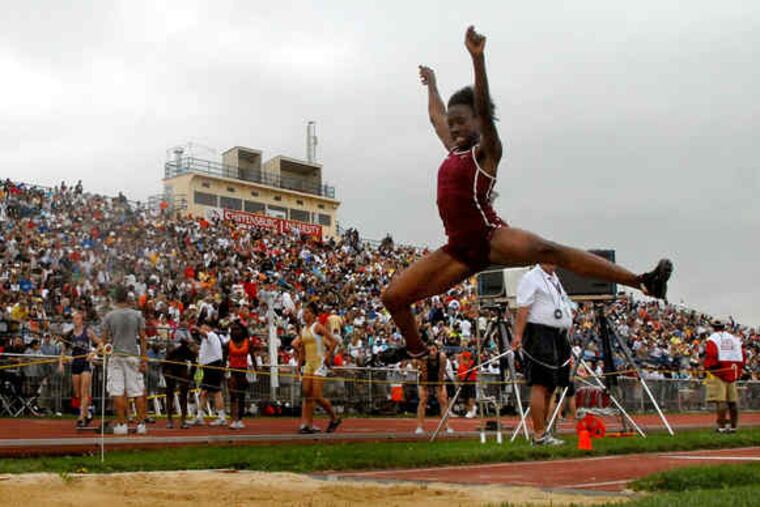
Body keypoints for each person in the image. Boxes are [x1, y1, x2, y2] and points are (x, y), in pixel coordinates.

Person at [380, 26, 672, 364]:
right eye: (453, 123)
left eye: (462, 122)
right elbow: (435, 117)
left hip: (491, 237)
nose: (455, 128)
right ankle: (417, 350)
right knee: (393, 297)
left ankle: (642, 281)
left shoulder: (486, 152)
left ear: (478, 121)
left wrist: (478, 60)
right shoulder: (453, 149)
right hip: (457, 252)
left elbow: (487, 117)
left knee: (549, 250)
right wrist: (432, 84)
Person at [514, 263, 573, 445]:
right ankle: (538, 433)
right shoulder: (531, 278)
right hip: (540, 333)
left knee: (551, 385)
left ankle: (545, 431)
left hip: (558, 334)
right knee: (540, 383)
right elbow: (524, 307)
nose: (554, 262)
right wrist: (518, 335)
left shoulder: (554, 278)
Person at [100, 285, 148, 435]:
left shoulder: (109, 316)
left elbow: (104, 341)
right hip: (133, 356)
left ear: (115, 299)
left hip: (116, 357)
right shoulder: (137, 315)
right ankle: (141, 424)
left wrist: (100, 346)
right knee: (137, 390)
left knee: (117, 391)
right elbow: (143, 338)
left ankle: (122, 424)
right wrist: (144, 358)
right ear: (127, 298)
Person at [291, 301, 341, 434]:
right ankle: (308, 424)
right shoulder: (304, 330)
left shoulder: (317, 327)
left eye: (307, 312)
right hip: (308, 364)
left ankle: (334, 418)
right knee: (307, 393)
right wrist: (298, 366)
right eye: (304, 312)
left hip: (319, 364)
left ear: (313, 315)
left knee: (317, 396)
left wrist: (328, 356)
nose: (304, 315)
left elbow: (334, 341)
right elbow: (302, 350)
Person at [704, 319, 745, 433]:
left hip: (718, 372)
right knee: (733, 401)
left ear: (713, 327)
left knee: (720, 401)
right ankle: (733, 427)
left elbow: (711, 354)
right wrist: (738, 369)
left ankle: (721, 427)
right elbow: (742, 355)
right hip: (732, 372)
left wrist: (708, 367)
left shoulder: (713, 339)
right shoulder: (734, 339)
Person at [61, 311, 99, 428]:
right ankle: (88, 413)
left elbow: (100, 344)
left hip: (85, 363)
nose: (75, 320)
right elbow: (63, 351)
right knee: (77, 394)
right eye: (74, 318)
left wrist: (93, 353)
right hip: (75, 363)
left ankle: (81, 417)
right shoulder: (69, 334)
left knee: (84, 392)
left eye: (77, 318)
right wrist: (61, 363)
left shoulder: (88, 332)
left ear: (82, 320)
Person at [162, 318, 197, 429]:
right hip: (171, 369)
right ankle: (169, 420)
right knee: (170, 394)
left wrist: (190, 377)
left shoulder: (188, 349)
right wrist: (166, 373)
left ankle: (183, 420)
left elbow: (194, 362)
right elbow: (166, 360)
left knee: (183, 394)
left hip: (181, 369)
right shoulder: (173, 346)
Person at [414, 342, 453, 434]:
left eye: (433, 350)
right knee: (423, 400)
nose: (431, 353)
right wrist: (426, 388)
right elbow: (424, 373)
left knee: (443, 400)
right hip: (425, 378)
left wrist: (439, 387)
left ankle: (447, 426)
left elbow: (441, 372)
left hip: (437, 377)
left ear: (437, 350)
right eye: (429, 350)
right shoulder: (423, 358)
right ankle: (419, 426)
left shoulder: (442, 357)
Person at [194, 324, 227, 426]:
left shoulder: (211, 335)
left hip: (213, 366)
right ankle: (200, 416)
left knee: (216, 392)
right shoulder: (206, 340)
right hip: (208, 367)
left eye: (204, 328)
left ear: (208, 329)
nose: (202, 330)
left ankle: (221, 417)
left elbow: (203, 333)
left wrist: (197, 328)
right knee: (203, 392)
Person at [226, 319, 256, 430]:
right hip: (233, 371)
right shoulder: (229, 343)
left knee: (241, 396)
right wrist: (222, 370)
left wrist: (256, 369)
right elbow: (225, 358)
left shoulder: (247, 342)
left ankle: (240, 419)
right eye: (233, 330)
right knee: (233, 395)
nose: (235, 332)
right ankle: (233, 419)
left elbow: (252, 356)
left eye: (237, 329)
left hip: (243, 372)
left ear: (242, 331)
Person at [457, 350, 478, 418]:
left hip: (471, 382)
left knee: (471, 397)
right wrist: (458, 383)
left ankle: (471, 410)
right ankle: (469, 410)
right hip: (464, 383)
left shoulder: (472, 364)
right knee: (465, 398)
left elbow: (474, 374)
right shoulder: (461, 365)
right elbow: (459, 375)